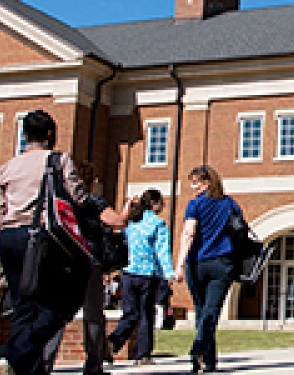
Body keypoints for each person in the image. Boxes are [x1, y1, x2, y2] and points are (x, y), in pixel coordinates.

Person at [0, 109, 130, 374]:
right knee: (63, 302)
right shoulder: (57, 160)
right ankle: (13, 354)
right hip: (39, 239)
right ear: (50, 134)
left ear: (25, 135)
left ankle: (27, 368)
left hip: (8, 238)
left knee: (23, 306)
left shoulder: (9, 166)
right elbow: (78, 197)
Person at [43, 161, 132, 374]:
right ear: (91, 182)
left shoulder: (58, 202)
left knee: (57, 314)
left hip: (62, 261)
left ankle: (44, 363)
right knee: (93, 315)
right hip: (89, 261)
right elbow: (118, 222)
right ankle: (94, 365)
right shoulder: (93, 202)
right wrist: (128, 209)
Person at [175, 165, 240, 373]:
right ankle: (207, 360)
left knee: (203, 312)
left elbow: (188, 233)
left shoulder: (194, 205)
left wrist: (180, 264)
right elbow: (241, 230)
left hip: (198, 263)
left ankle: (199, 351)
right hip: (222, 263)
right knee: (209, 313)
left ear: (208, 183)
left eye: (196, 182)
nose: (193, 187)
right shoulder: (230, 204)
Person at [107, 189, 175, 366]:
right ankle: (142, 355)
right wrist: (169, 273)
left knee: (130, 312)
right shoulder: (158, 224)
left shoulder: (130, 221)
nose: (163, 205)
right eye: (161, 202)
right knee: (146, 314)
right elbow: (162, 251)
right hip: (147, 275)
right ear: (154, 204)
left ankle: (113, 342)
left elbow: (120, 240)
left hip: (128, 273)